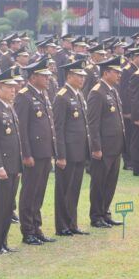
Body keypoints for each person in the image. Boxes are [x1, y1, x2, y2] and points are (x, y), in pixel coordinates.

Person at [14, 57, 57, 245]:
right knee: (29, 192)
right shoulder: (24, 96)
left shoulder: (42, 94)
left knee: (39, 192)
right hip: (33, 154)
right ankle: (28, 230)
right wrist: (26, 154)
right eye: (44, 76)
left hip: (44, 152)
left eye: (48, 76)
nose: (48, 79)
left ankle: (36, 227)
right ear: (33, 77)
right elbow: (21, 129)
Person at [0, 68, 23, 254]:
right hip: (2, 167)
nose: (13, 90)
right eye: (9, 88)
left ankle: (3, 242)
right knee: (0, 206)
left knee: (8, 206)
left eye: (14, 88)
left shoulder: (9, 107)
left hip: (13, 166)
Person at [53, 59, 91, 236]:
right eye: (79, 76)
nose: (82, 79)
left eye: (83, 76)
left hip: (79, 151)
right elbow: (58, 129)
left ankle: (72, 223)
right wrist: (60, 155)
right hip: (67, 152)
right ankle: (62, 226)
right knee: (64, 191)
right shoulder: (62, 96)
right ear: (69, 76)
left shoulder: (78, 94)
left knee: (74, 189)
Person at [86, 56, 126, 228]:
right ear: (106, 72)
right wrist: (96, 147)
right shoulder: (97, 92)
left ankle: (105, 212)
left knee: (110, 182)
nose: (119, 75)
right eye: (116, 72)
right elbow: (93, 123)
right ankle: (96, 216)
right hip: (103, 148)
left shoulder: (112, 90)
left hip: (115, 146)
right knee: (99, 183)